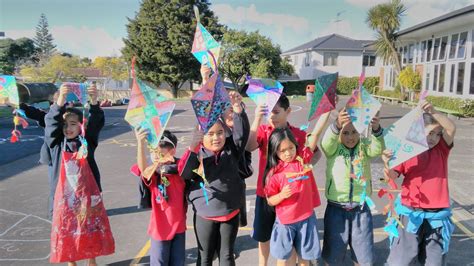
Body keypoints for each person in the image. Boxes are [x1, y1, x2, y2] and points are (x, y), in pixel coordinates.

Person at [246, 93, 321, 266]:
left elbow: (316, 153)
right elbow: (249, 146)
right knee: (263, 234)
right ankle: (262, 263)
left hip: (292, 197)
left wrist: (307, 167)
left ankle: (291, 260)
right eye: (268, 112)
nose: (272, 116)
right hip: (266, 193)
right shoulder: (264, 131)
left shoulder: (297, 134)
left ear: (288, 111)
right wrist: (257, 118)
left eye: (276, 111)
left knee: (291, 234)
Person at [46, 83, 114, 265]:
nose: (68, 128)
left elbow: (96, 122)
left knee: (88, 226)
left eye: (73, 124)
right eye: (65, 125)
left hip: (86, 194)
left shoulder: (86, 142)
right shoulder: (56, 145)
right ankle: (71, 259)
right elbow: (51, 124)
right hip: (64, 197)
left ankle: (91, 259)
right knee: (67, 227)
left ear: (80, 126)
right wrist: (59, 101)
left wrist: (93, 101)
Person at [179, 91, 249, 266]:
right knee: (205, 257)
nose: (216, 137)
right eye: (210, 134)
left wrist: (238, 109)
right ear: (202, 136)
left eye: (219, 133)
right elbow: (185, 173)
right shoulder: (197, 154)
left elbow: (241, 134)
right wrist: (192, 148)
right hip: (205, 213)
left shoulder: (231, 150)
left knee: (226, 256)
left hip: (230, 212)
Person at [382, 101, 456, 266]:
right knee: (401, 260)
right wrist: (387, 163)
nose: (434, 138)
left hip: (437, 216)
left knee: (434, 261)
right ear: (418, 130)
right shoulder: (406, 151)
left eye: (438, 134)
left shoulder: (441, 149)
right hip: (410, 213)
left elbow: (451, 128)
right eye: (430, 133)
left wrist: (434, 111)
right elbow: (392, 176)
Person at [264, 110, 330, 266]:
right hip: (285, 222)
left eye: (291, 148)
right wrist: (281, 195)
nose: (288, 153)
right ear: (275, 151)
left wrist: (327, 111)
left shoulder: (302, 160)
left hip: (306, 218)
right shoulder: (274, 174)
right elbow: (270, 200)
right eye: (282, 150)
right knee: (283, 257)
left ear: (295, 145)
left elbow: (315, 135)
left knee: (305, 258)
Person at [320, 108, 383, 265]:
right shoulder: (333, 149)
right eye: (345, 132)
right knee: (333, 253)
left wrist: (376, 130)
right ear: (339, 133)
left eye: (354, 132)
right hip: (336, 208)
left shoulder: (364, 147)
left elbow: (378, 149)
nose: (350, 137)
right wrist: (336, 124)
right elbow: (326, 143)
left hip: (360, 209)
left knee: (363, 254)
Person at [131, 129, 186, 266]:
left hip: (179, 228)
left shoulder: (180, 170)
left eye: (159, 152)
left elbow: (191, 160)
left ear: (172, 151)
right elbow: (143, 170)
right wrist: (140, 143)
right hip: (159, 231)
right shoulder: (153, 174)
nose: (155, 156)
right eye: (153, 151)